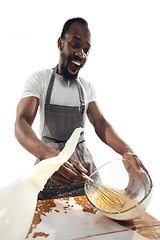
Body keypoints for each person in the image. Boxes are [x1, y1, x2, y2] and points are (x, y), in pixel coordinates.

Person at [15, 17, 145, 200]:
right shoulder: (39, 80)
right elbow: (21, 123)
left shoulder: (87, 87)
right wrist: (49, 157)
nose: (81, 54)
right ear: (61, 43)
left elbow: (100, 123)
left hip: (85, 168)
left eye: (86, 50)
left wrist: (127, 152)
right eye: (75, 45)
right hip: (50, 167)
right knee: (47, 223)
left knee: (99, 218)